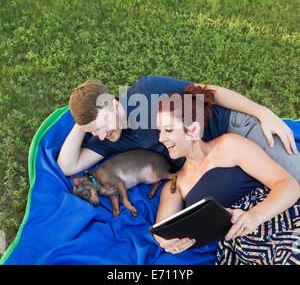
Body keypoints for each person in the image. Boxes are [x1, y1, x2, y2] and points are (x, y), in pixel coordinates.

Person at [154, 85, 300, 264]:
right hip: (244, 249)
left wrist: (254, 217)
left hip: (279, 222)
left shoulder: (229, 146)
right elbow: (162, 232)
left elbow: (290, 186)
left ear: (193, 129)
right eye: (159, 131)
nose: (160, 138)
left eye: (168, 130)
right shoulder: (175, 184)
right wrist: (169, 243)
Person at [57, 75, 299, 183]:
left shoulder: (148, 90)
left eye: (100, 126)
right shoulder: (111, 138)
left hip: (231, 127)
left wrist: (263, 113)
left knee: (294, 176)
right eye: (93, 133)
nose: (100, 135)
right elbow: (68, 167)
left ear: (115, 104)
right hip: (212, 160)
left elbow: (209, 92)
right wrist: (81, 124)